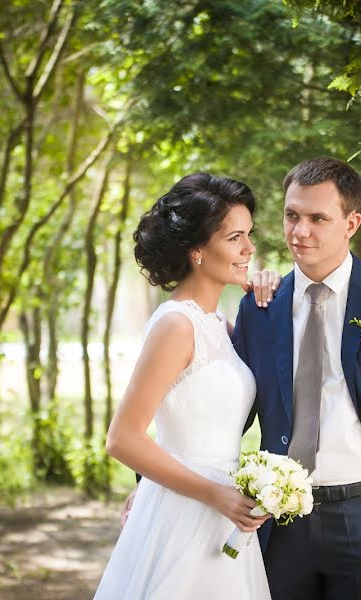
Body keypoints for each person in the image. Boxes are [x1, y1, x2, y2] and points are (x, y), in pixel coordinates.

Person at [232, 157, 361, 600]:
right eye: (292, 215)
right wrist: (160, 485)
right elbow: (225, 411)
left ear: (351, 222)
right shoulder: (260, 307)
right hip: (279, 521)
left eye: (317, 218)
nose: (299, 231)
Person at [93, 173, 277, 600]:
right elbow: (122, 439)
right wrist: (216, 494)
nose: (249, 248)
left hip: (225, 515)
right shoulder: (176, 325)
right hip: (187, 512)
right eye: (235, 238)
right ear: (197, 251)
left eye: (249, 235)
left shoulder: (217, 324)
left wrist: (264, 287)